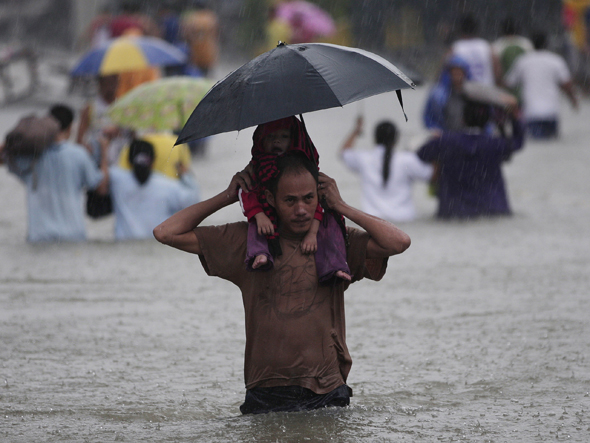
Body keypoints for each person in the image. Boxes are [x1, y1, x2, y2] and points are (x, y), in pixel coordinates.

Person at [153, 152, 411, 414]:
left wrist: (341, 206)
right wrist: (228, 196)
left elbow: (399, 242)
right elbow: (165, 232)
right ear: (269, 199)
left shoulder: (336, 243)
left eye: (308, 199)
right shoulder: (248, 243)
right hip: (266, 389)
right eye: (290, 200)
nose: (301, 209)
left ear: (319, 198)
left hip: (327, 387)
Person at [239, 117, 351, 283]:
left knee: (330, 224)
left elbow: (318, 203)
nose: (277, 141)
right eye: (270, 137)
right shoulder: (256, 168)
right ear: (260, 141)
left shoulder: (306, 169)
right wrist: (258, 214)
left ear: (294, 140)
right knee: (256, 226)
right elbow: (246, 193)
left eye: (284, 137)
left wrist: (313, 232)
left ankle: (335, 267)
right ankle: (260, 253)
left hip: (313, 225)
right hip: (264, 215)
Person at [4, 104, 108, 242]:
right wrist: (104, 152)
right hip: (73, 237)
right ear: (71, 127)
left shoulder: (31, 156)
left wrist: (18, 141)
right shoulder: (79, 155)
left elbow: (4, 157)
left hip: (39, 237)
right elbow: (101, 188)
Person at [417, 100, 525, 219]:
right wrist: (514, 116)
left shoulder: (444, 142)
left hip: (453, 212)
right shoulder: (495, 144)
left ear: (462, 119)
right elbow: (518, 141)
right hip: (493, 209)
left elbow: (421, 154)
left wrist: (435, 139)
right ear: (488, 122)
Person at [340, 117, 433, 223]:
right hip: (404, 218)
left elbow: (344, 153)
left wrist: (356, 131)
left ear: (375, 138)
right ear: (396, 139)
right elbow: (430, 174)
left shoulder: (364, 159)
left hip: (373, 220)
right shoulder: (408, 160)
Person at [108, 139, 200, 240]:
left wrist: (104, 147)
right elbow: (193, 203)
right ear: (153, 161)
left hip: (124, 248)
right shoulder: (168, 185)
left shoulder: (115, 179)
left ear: (128, 161)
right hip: (158, 244)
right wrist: (186, 175)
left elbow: (96, 180)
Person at [504, 31, 578, 139]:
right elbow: (567, 84)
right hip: (552, 113)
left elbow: (509, 83)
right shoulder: (556, 60)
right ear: (547, 43)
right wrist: (573, 100)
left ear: (532, 45)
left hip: (531, 114)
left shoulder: (523, 61)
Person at [423, 55, 472, 131]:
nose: (457, 75)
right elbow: (429, 117)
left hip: (467, 136)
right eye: (454, 72)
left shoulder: (473, 94)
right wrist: (435, 129)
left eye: (459, 72)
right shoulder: (437, 95)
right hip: (445, 136)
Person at [450, 14, 499, 86]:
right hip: (486, 90)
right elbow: (497, 70)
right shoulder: (486, 46)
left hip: (465, 91)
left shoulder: (456, 47)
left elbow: (445, 70)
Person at [180, 1, 219, 77]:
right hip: (208, 49)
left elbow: (185, 34)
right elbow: (215, 33)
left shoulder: (191, 17)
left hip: (195, 50)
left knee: (195, 73)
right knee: (206, 73)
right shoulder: (211, 17)